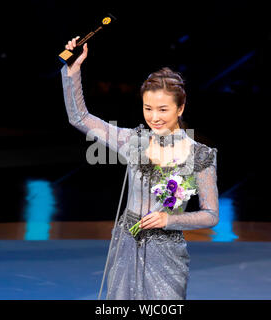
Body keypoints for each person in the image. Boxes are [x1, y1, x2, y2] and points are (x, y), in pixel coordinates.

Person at [61, 37, 219, 300]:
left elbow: (211, 214)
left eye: (162, 109)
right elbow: (79, 117)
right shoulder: (132, 141)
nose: (154, 117)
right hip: (126, 245)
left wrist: (171, 220)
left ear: (181, 107)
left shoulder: (200, 155)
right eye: (148, 108)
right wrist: (73, 70)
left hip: (168, 254)